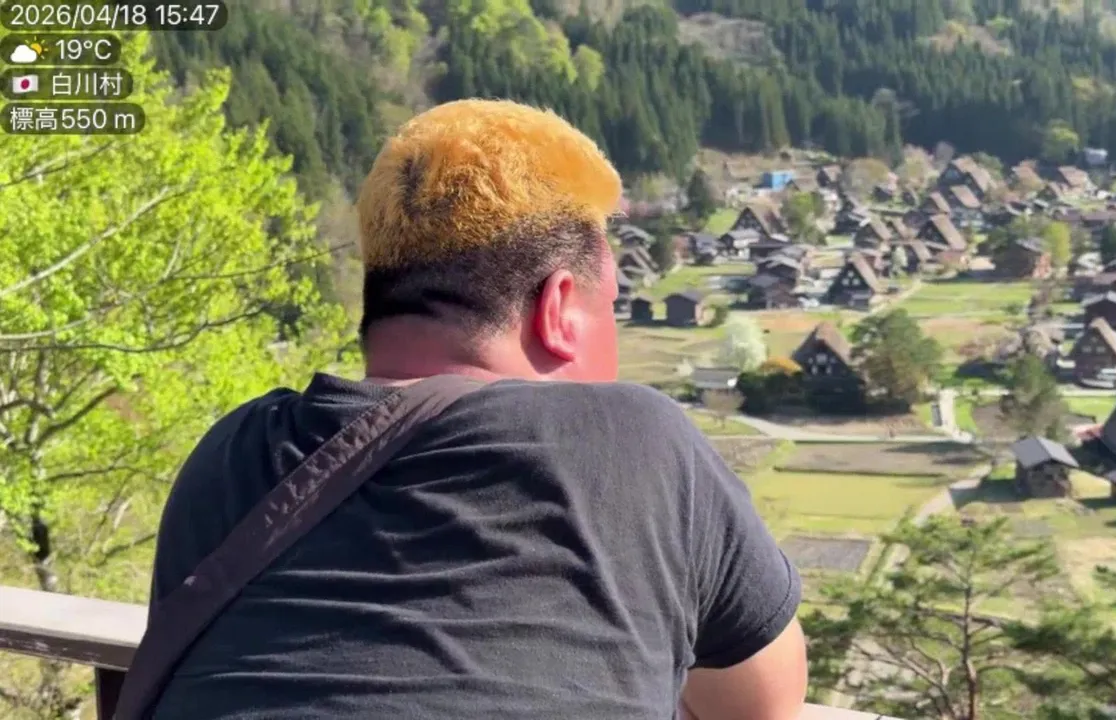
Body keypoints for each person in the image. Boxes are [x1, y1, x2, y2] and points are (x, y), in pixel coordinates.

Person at [148, 99, 807, 720]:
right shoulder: (639, 442)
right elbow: (763, 705)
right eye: (608, 303)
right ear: (558, 310)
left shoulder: (233, 455)